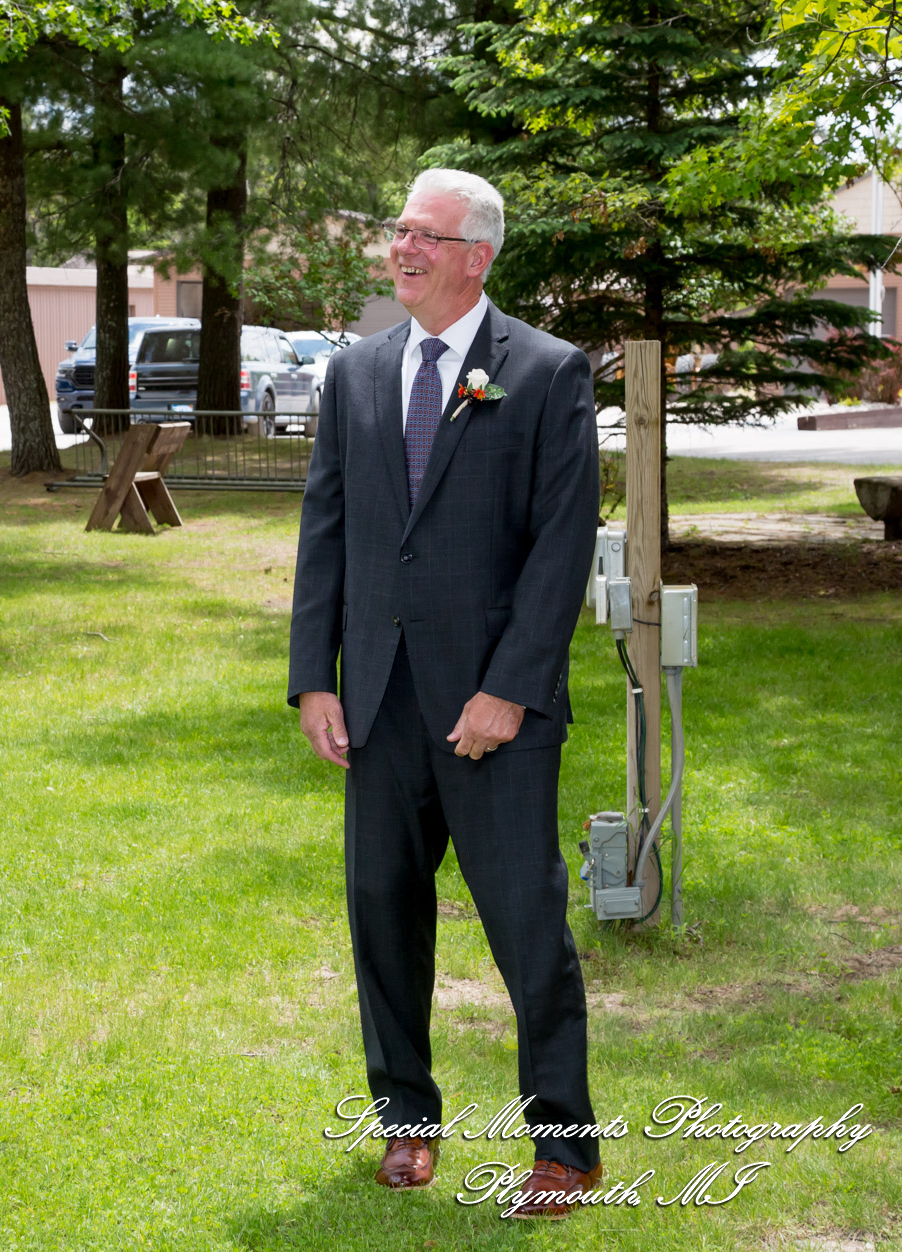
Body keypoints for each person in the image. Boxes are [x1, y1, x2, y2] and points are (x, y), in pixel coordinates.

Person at [288, 169, 602, 1217]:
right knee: (382, 913)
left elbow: (561, 549)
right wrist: (312, 681)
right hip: (376, 702)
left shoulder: (548, 373)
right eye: (399, 230)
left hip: (493, 716)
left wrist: (509, 691)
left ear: (479, 255)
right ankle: (406, 1120)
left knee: (525, 923)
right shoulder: (359, 374)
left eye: (427, 234)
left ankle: (563, 1143)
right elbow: (326, 533)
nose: (403, 248)